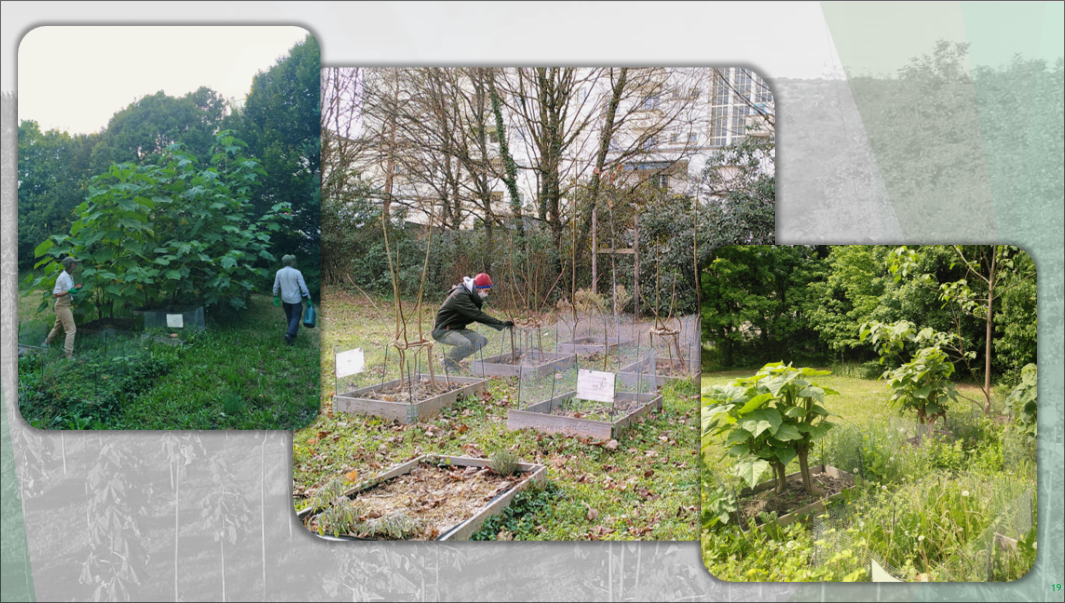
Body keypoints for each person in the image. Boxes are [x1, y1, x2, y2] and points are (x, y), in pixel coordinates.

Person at [431, 273, 514, 371]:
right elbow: (477, 315)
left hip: (457, 329)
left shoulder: (469, 294)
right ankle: (447, 362)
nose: (486, 294)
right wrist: (499, 324)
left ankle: (453, 361)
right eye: (486, 291)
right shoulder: (460, 295)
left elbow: (475, 315)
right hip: (443, 330)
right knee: (465, 343)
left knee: (481, 341)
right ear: (478, 288)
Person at [43, 256, 82, 359]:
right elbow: (55, 294)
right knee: (71, 329)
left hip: (66, 303)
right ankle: (69, 355)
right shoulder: (62, 277)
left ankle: (45, 344)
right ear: (70, 265)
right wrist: (69, 291)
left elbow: (68, 289)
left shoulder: (70, 275)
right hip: (61, 305)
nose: (76, 264)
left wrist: (75, 288)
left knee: (57, 327)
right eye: (75, 263)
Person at [273, 254, 312, 346]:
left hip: (285, 299)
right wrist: (308, 297)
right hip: (295, 299)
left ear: (283, 263)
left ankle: (293, 333)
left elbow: (276, 285)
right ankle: (290, 334)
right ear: (292, 262)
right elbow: (303, 286)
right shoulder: (297, 272)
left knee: (289, 316)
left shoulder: (279, 272)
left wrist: (275, 295)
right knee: (296, 317)